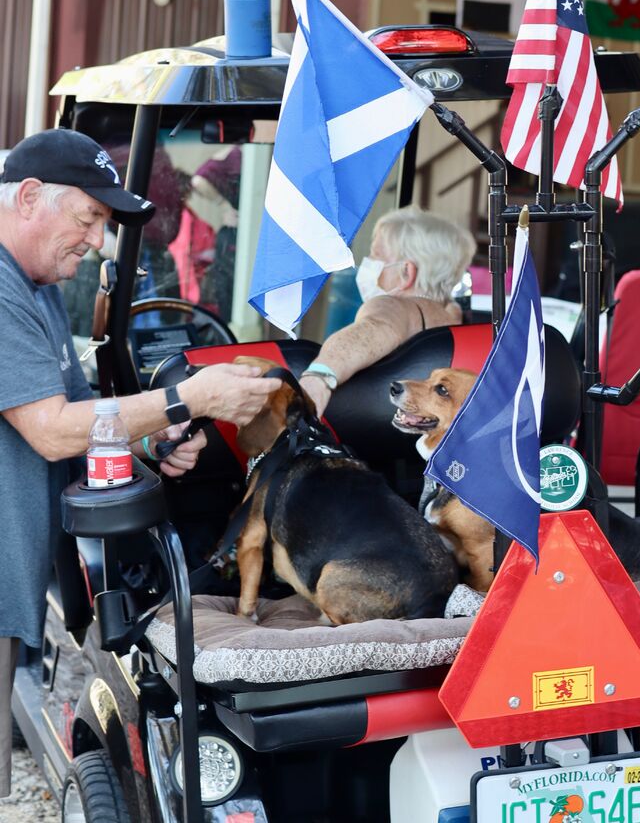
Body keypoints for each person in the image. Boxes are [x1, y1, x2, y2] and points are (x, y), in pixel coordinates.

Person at [0, 128, 280, 797]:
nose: (98, 240)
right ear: (31, 196)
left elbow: (80, 415)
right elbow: (50, 432)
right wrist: (188, 397)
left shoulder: (34, 285)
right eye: (90, 217)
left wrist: (152, 439)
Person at [299, 206, 476, 418]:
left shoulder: (394, 306)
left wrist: (320, 376)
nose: (369, 264)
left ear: (406, 272)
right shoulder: (455, 319)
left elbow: (372, 330)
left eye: (376, 256)